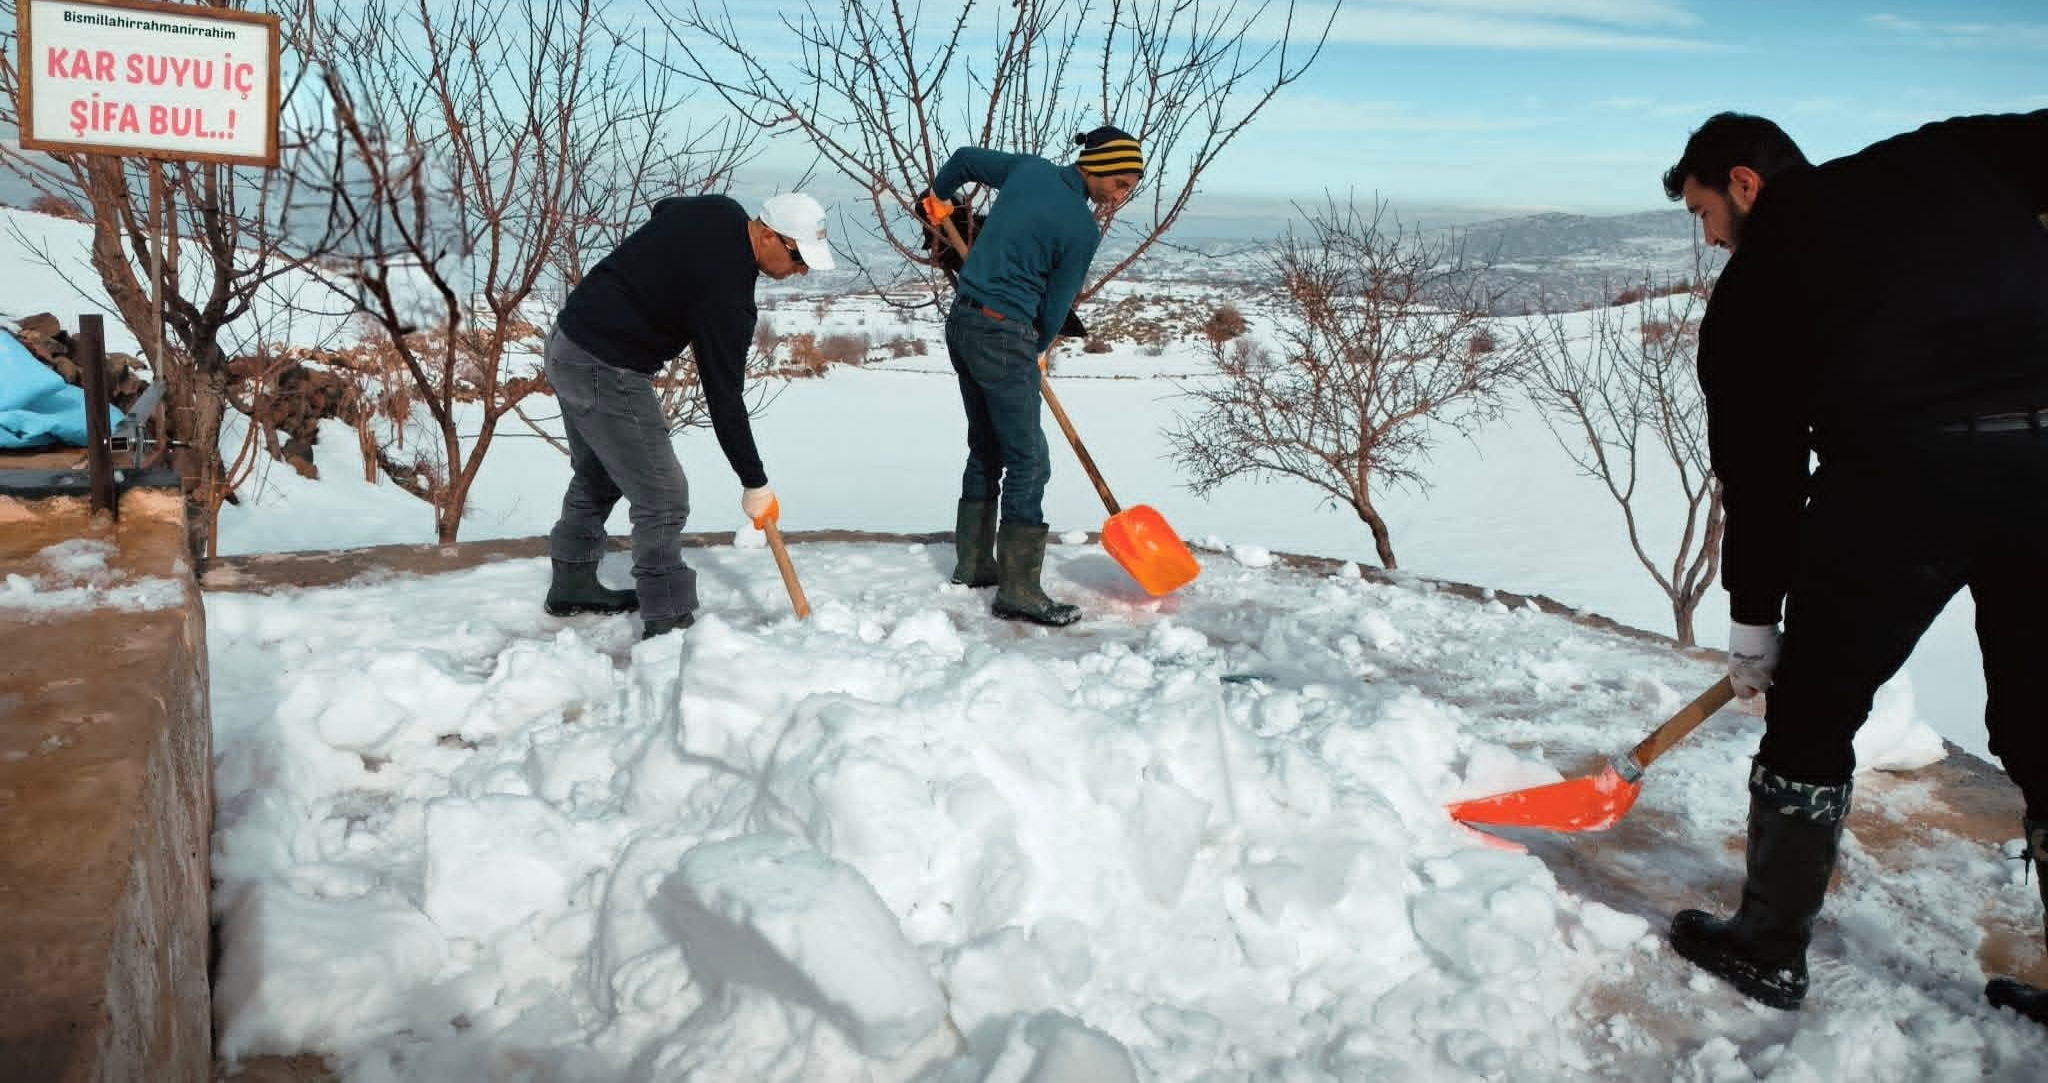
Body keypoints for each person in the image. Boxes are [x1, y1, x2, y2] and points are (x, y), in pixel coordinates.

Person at [1659, 110, 2048, 1018]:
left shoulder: (1758, 283)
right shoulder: (1950, 153)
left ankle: (1767, 945)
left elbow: (1763, 472)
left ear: (1746, 184)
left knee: (1814, 711)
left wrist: (1754, 617)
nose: (1710, 237)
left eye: (1704, 211)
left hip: (1902, 477)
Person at [542, 192, 836, 639]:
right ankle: (668, 620)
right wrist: (754, 481)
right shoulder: (728, 295)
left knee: (602, 471)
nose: (803, 271)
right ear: (769, 235)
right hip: (605, 364)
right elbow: (725, 398)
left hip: (568, 341)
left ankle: (572, 582)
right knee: (662, 493)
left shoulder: (719, 210)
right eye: (799, 258)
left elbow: (666, 208)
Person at [917, 126, 1142, 626]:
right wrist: (1035, 349)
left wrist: (937, 196)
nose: (1121, 197)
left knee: (987, 448)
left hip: (964, 323)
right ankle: (1019, 590)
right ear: (1102, 168)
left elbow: (964, 158)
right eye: (1122, 184)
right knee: (1030, 462)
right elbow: (1058, 305)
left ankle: (974, 565)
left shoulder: (1029, 169)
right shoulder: (1082, 229)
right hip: (1003, 336)